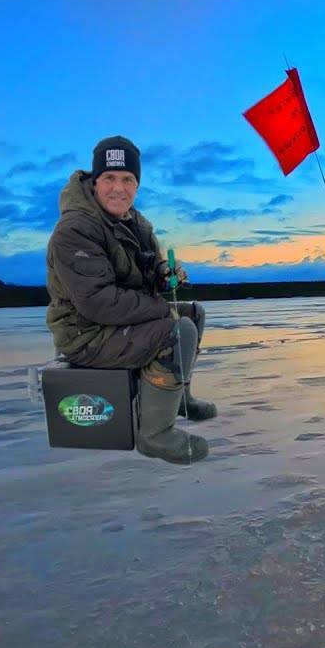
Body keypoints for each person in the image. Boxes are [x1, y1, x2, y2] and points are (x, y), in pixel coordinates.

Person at [45, 136, 216, 464]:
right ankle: (154, 435)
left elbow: (146, 269)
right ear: (95, 181)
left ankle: (179, 397)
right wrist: (160, 309)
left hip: (112, 323)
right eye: (109, 178)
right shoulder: (75, 229)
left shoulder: (134, 222)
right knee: (176, 330)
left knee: (193, 314)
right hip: (85, 333)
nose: (118, 188)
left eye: (127, 179)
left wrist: (164, 273)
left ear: (137, 185)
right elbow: (99, 302)